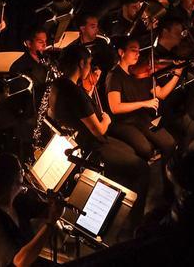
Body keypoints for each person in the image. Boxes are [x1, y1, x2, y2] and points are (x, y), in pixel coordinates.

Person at [47, 46, 148, 197]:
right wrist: (106, 120)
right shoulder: (74, 93)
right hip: (91, 146)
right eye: (89, 63)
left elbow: (79, 112)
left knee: (131, 150)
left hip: (78, 139)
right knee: (142, 167)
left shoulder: (59, 84)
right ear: (81, 64)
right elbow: (99, 130)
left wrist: (89, 90)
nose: (90, 67)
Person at [0, 154, 63, 267]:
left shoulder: (16, 201)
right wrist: (50, 224)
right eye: (20, 171)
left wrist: (55, 203)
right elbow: (20, 261)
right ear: (12, 182)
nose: (23, 174)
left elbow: (47, 210)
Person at [106, 36, 180, 160]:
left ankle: (168, 171)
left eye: (139, 51)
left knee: (170, 143)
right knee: (145, 149)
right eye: (133, 50)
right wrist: (144, 103)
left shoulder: (141, 72)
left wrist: (177, 74)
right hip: (124, 122)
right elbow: (115, 107)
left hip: (141, 119)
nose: (138, 54)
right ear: (121, 52)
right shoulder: (114, 76)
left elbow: (161, 94)